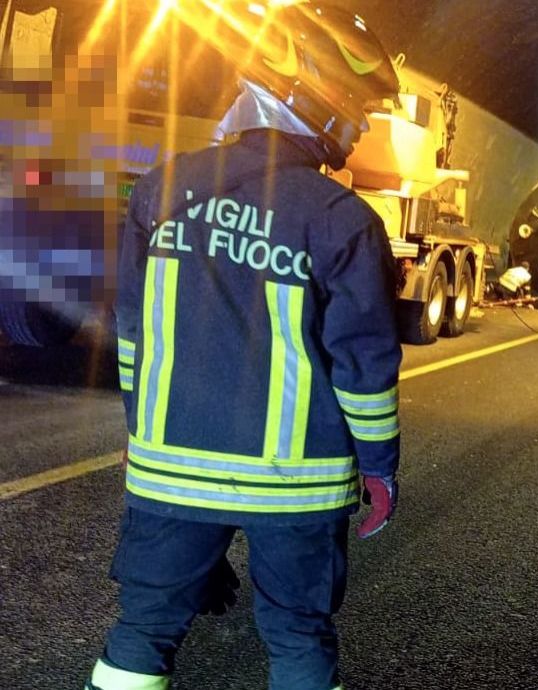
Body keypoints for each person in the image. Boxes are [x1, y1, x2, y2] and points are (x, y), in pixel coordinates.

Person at [87, 4, 404, 689]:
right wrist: (379, 469)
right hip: (296, 489)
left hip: (170, 474)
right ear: (315, 99)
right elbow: (363, 371)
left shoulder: (159, 191)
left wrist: (141, 435)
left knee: (142, 632)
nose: (360, 128)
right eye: (357, 109)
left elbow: (134, 338)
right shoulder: (342, 220)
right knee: (298, 637)